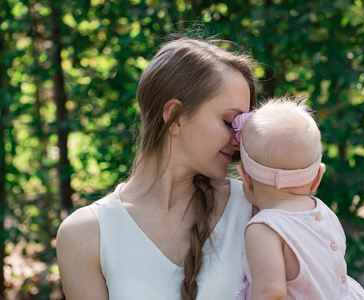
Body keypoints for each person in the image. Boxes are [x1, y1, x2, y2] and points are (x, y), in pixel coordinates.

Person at [56, 37, 257, 300]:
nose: (238, 139)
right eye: (230, 121)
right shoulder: (86, 234)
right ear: (175, 116)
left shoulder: (253, 209)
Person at [232, 98, 364, 300]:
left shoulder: (264, 229)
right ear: (317, 179)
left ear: (245, 177)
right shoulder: (325, 214)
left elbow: (270, 294)